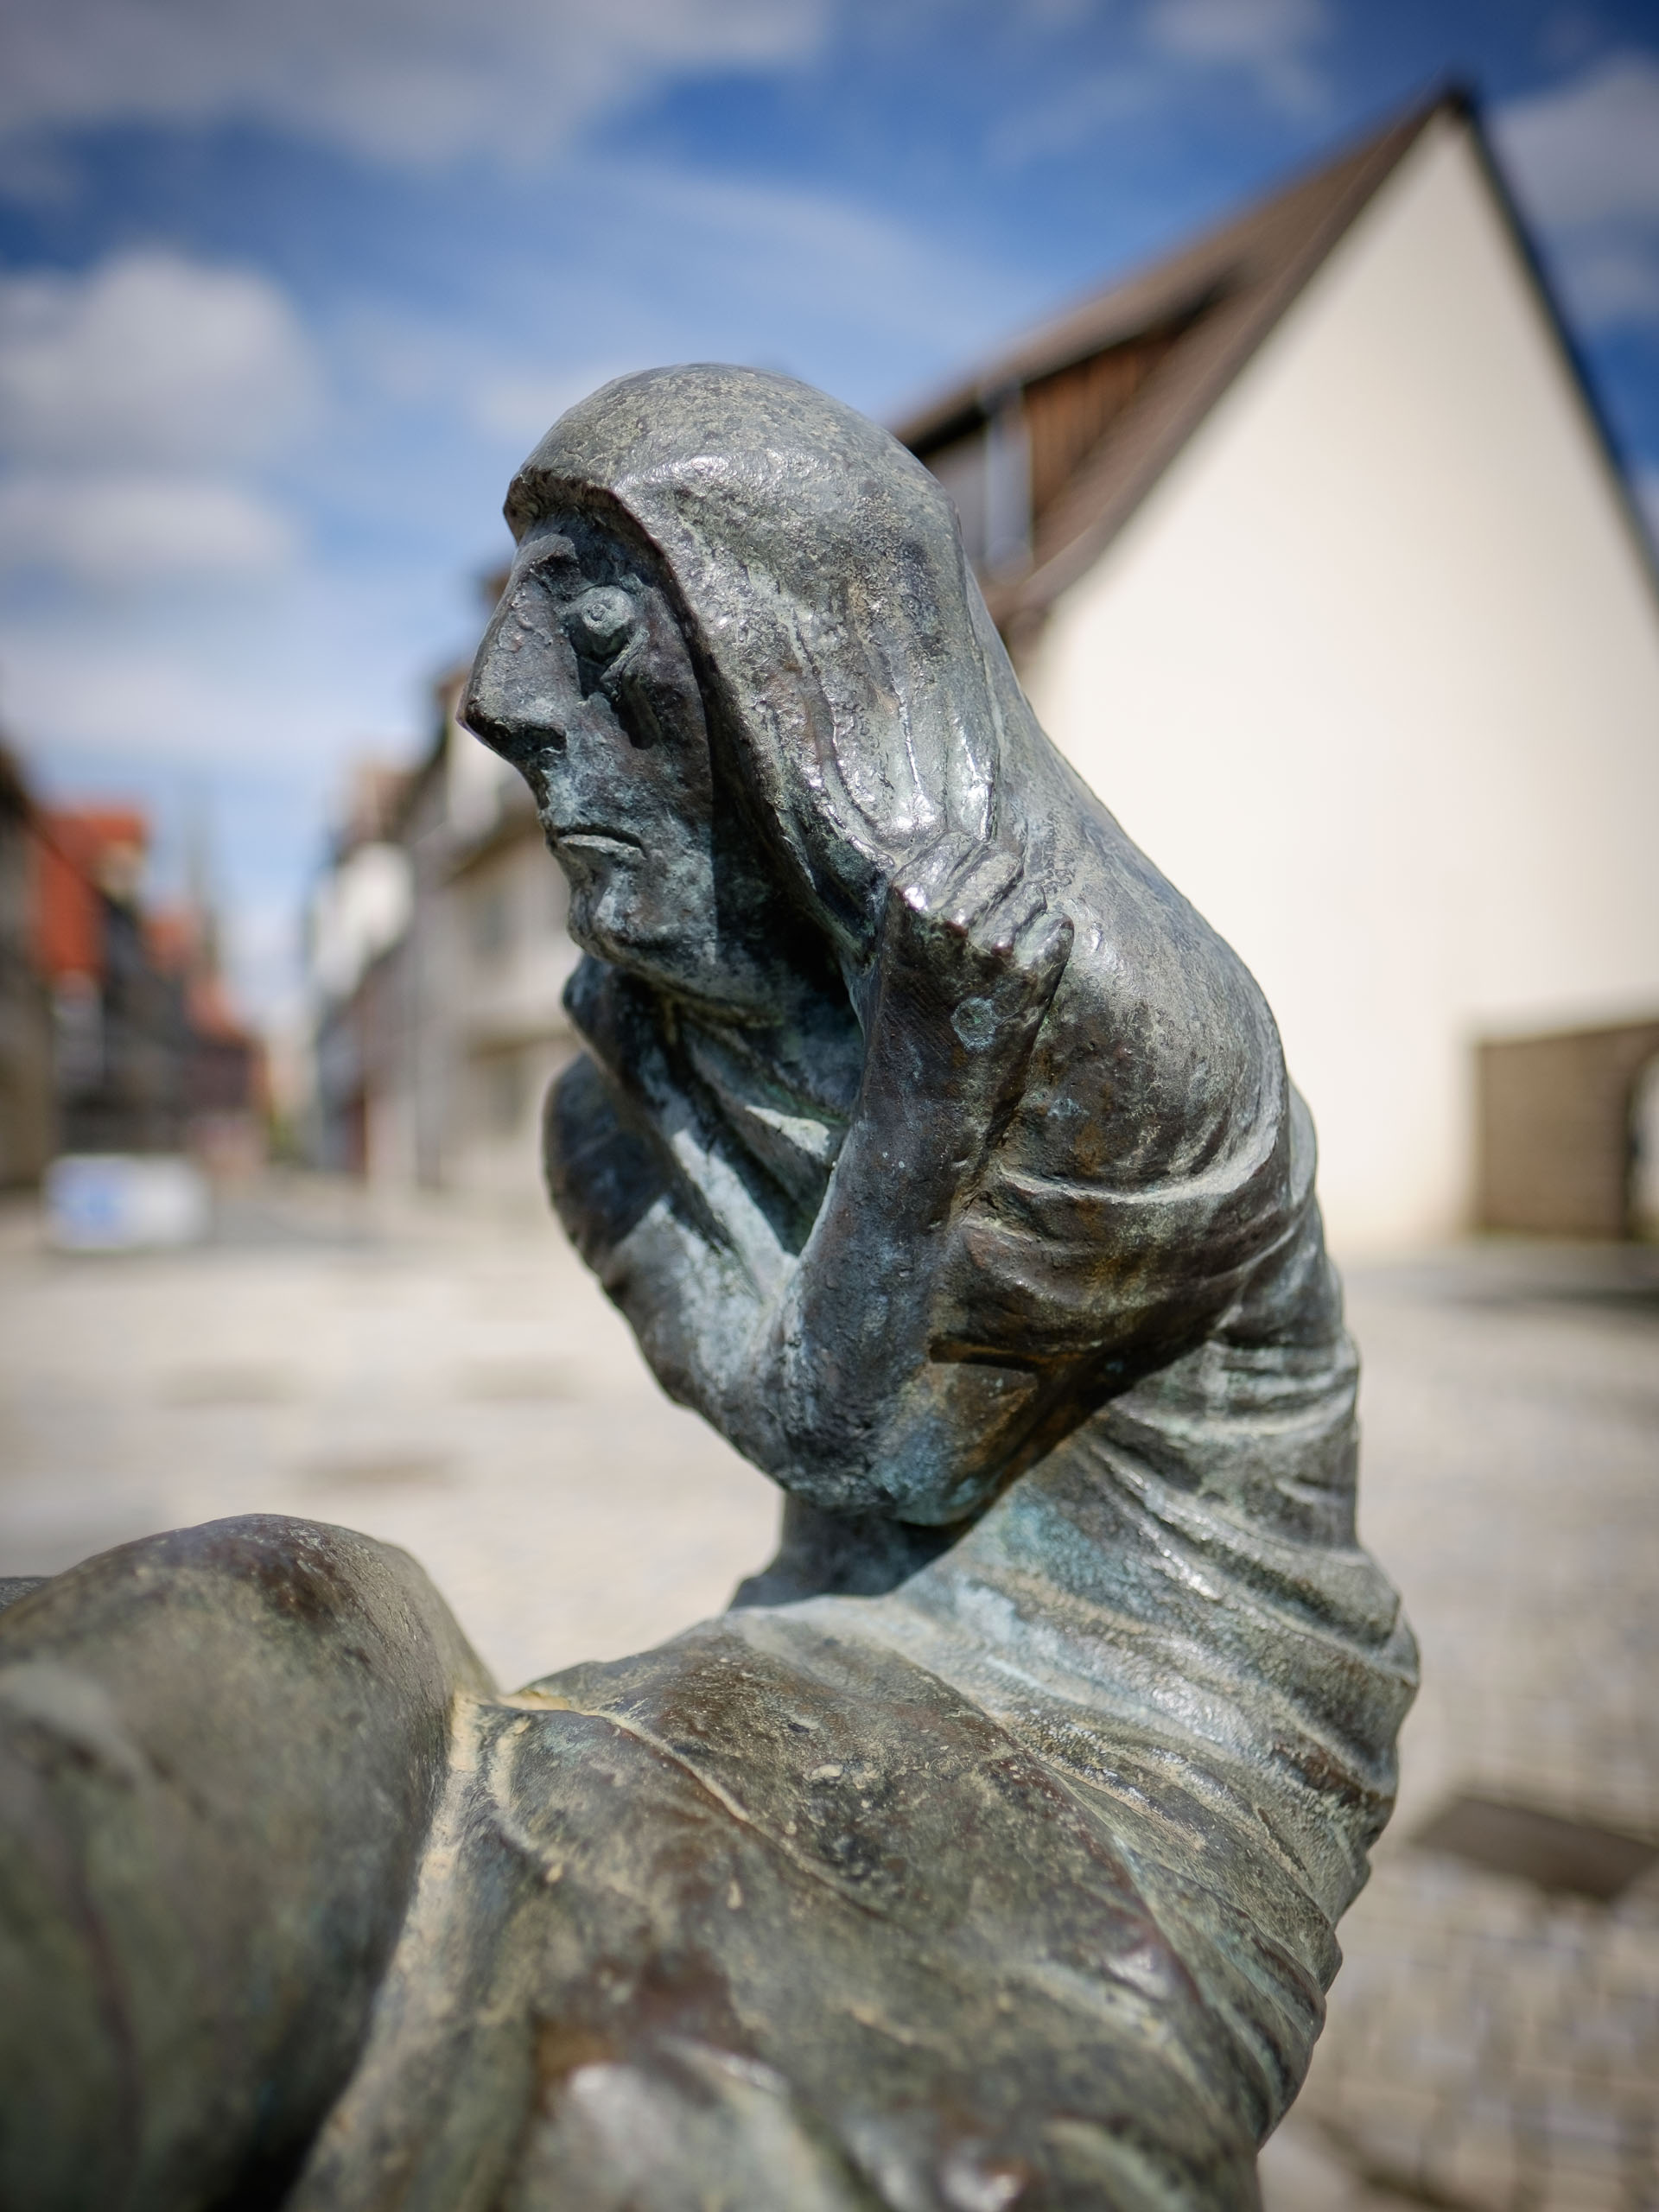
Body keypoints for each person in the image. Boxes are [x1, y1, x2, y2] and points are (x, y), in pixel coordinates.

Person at [0, 367, 1414, 2212]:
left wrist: (922, 1096)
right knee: (286, 1619)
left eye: (598, 643)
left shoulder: (1122, 1022)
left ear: (797, 696)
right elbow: (820, 1442)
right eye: (517, 645)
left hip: (1148, 1711)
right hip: (837, 1631)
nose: (508, 708)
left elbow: (887, 1449)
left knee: (705, 2100)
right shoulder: (610, 1120)